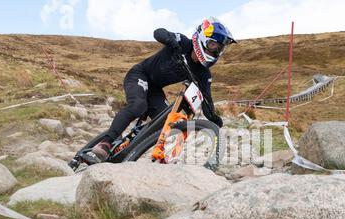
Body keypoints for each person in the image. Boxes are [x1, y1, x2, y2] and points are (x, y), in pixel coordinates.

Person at [90, 17, 237, 163]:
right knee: (138, 106)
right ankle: (106, 142)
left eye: (219, 49)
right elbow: (158, 32)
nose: (215, 51)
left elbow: (207, 101)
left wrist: (215, 121)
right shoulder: (183, 42)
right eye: (213, 45)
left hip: (155, 89)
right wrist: (170, 41)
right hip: (140, 75)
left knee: (164, 122)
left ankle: (129, 149)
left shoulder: (203, 74)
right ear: (202, 39)